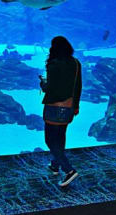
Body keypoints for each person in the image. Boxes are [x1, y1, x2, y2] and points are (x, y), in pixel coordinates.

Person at [40, 36, 82, 188]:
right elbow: (78, 86)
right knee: (60, 136)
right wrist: (76, 105)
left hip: (54, 107)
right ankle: (55, 164)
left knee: (50, 140)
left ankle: (69, 170)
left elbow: (51, 88)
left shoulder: (54, 64)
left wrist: (43, 84)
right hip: (69, 106)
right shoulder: (76, 63)